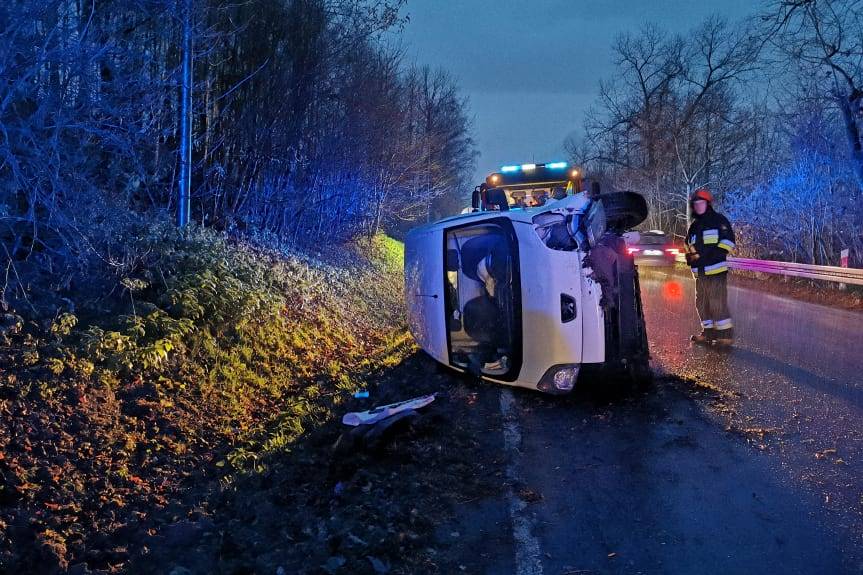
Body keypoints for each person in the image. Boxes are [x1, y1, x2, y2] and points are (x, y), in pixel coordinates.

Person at [685, 187, 736, 345]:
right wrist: (691, 260)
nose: (698, 206)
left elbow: (728, 242)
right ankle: (708, 334)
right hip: (700, 274)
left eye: (701, 203)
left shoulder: (719, 221)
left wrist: (709, 257)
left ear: (708, 204)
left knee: (717, 302)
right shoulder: (694, 226)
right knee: (701, 303)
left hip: (716, 271)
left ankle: (725, 336)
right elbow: (688, 246)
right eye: (696, 204)